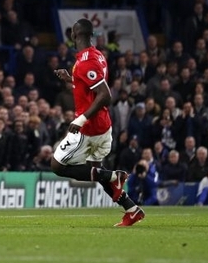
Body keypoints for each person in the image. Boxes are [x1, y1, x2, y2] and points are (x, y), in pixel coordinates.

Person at [50, 18, 145, 227]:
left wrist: (81, 118)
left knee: (56, 165)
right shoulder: (97, 56)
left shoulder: (85, 62)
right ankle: (131, 210)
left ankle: (114, 175)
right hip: (103, 127)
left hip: (89, 128)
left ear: (74, 36)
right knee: (97, 172)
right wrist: (70, 80)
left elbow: (105, 95)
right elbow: (88, 89)